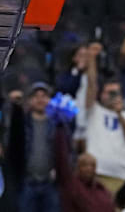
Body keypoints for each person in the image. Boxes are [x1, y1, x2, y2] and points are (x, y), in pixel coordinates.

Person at [85, 48, 125, 195]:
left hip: (121, 177)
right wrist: (91, 60)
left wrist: (119, 114)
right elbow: (91, 85)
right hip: (96, 174)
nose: (112, 96)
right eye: (109, 92)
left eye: (116, 93)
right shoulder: (93, 111)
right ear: (101, 94)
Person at [6, 82, 59, 212]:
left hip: (50, 184)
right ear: (29, 101)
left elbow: (67, 152)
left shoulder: (58, 125)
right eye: (36, 96)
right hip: (26, 183)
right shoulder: (21, 124)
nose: (40, 99)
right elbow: (11, 147)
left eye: (44, 96)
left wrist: (58, 170)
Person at [55, 122, 114, 212]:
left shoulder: (103, 190)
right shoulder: (70, 184)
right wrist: (60, 129)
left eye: (92, 165)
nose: (89, 168)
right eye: (84, 165)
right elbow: (62, 158)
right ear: (78, 167)